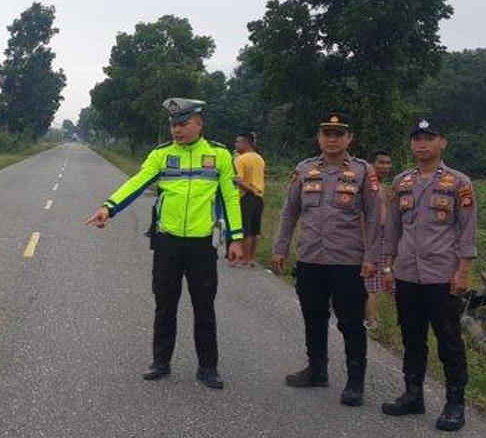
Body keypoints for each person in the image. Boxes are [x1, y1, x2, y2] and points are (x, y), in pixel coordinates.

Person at [85, 98, 244, 389]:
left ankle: (208, 368)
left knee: (204, 307)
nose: (177, 130)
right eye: (173, 124)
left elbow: (230, 198)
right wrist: (109, 207)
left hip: (202, 245)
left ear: (199, 123)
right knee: (165, 304)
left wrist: (236, 237)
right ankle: (161, 362)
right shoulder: (161, 155)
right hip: (168, 242)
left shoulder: (218, 155)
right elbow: (137, 182)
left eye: (183, 123)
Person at [271, 112, 380, 407]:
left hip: (348, 261)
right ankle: (317, 369)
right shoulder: (304, 169)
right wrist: (280, 247)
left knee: (351, 322)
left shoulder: (362, 171)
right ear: (319, 137)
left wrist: (373, 256)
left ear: (349, 138)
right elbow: (290, 211)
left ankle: (355, 382)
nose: (332, 139)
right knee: (313, 316)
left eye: (338, 134)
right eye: (326, 133)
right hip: (310, 258)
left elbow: (373, 216)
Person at [381, 118, 477, 431]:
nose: (421, 144)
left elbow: (467, 231)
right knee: (412, 336)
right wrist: (388, 266)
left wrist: (463, 271)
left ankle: (454, 404)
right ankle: (413, 394)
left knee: (448, 339)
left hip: (442, 275)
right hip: (408, 272)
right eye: (417, 138)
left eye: (429, 138)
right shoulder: (401, 182)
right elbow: (393, 228)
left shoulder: (458, 183)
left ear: (442, 142)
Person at [363, 149, 394, 329]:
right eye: (381, 162)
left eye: (388, 163)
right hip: (373, 237)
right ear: (372, 164)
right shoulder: (370, 186)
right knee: (372, 281)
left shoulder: (384, 188)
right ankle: (371, 320)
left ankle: (374, 317)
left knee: (382, 277)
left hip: (384, 237)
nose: (385, 166)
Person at [232, 131, 266, 267]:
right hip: (259, 197)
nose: (235, 145)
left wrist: (250, 189)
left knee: (245, 230)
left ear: (246, 143)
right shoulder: (259, 158)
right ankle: (251, 258)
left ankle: (244, 259)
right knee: (254, 230)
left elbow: (237, 179)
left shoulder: (240, 159)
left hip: (246, 196)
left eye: (238, 142)